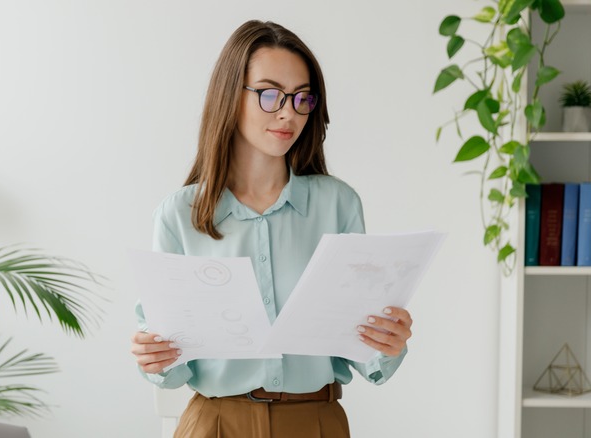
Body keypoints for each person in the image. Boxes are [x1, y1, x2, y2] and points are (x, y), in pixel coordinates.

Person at [130, 20, 413, 438]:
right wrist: (154, 356)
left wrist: (388, 344)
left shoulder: (338, 205)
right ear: (231, 95)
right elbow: (171, 371)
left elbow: (366, 356)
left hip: (316, 420)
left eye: (302, 98)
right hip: (215, 422)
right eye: (269, 94)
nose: (288, 112)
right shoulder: (179, 215)